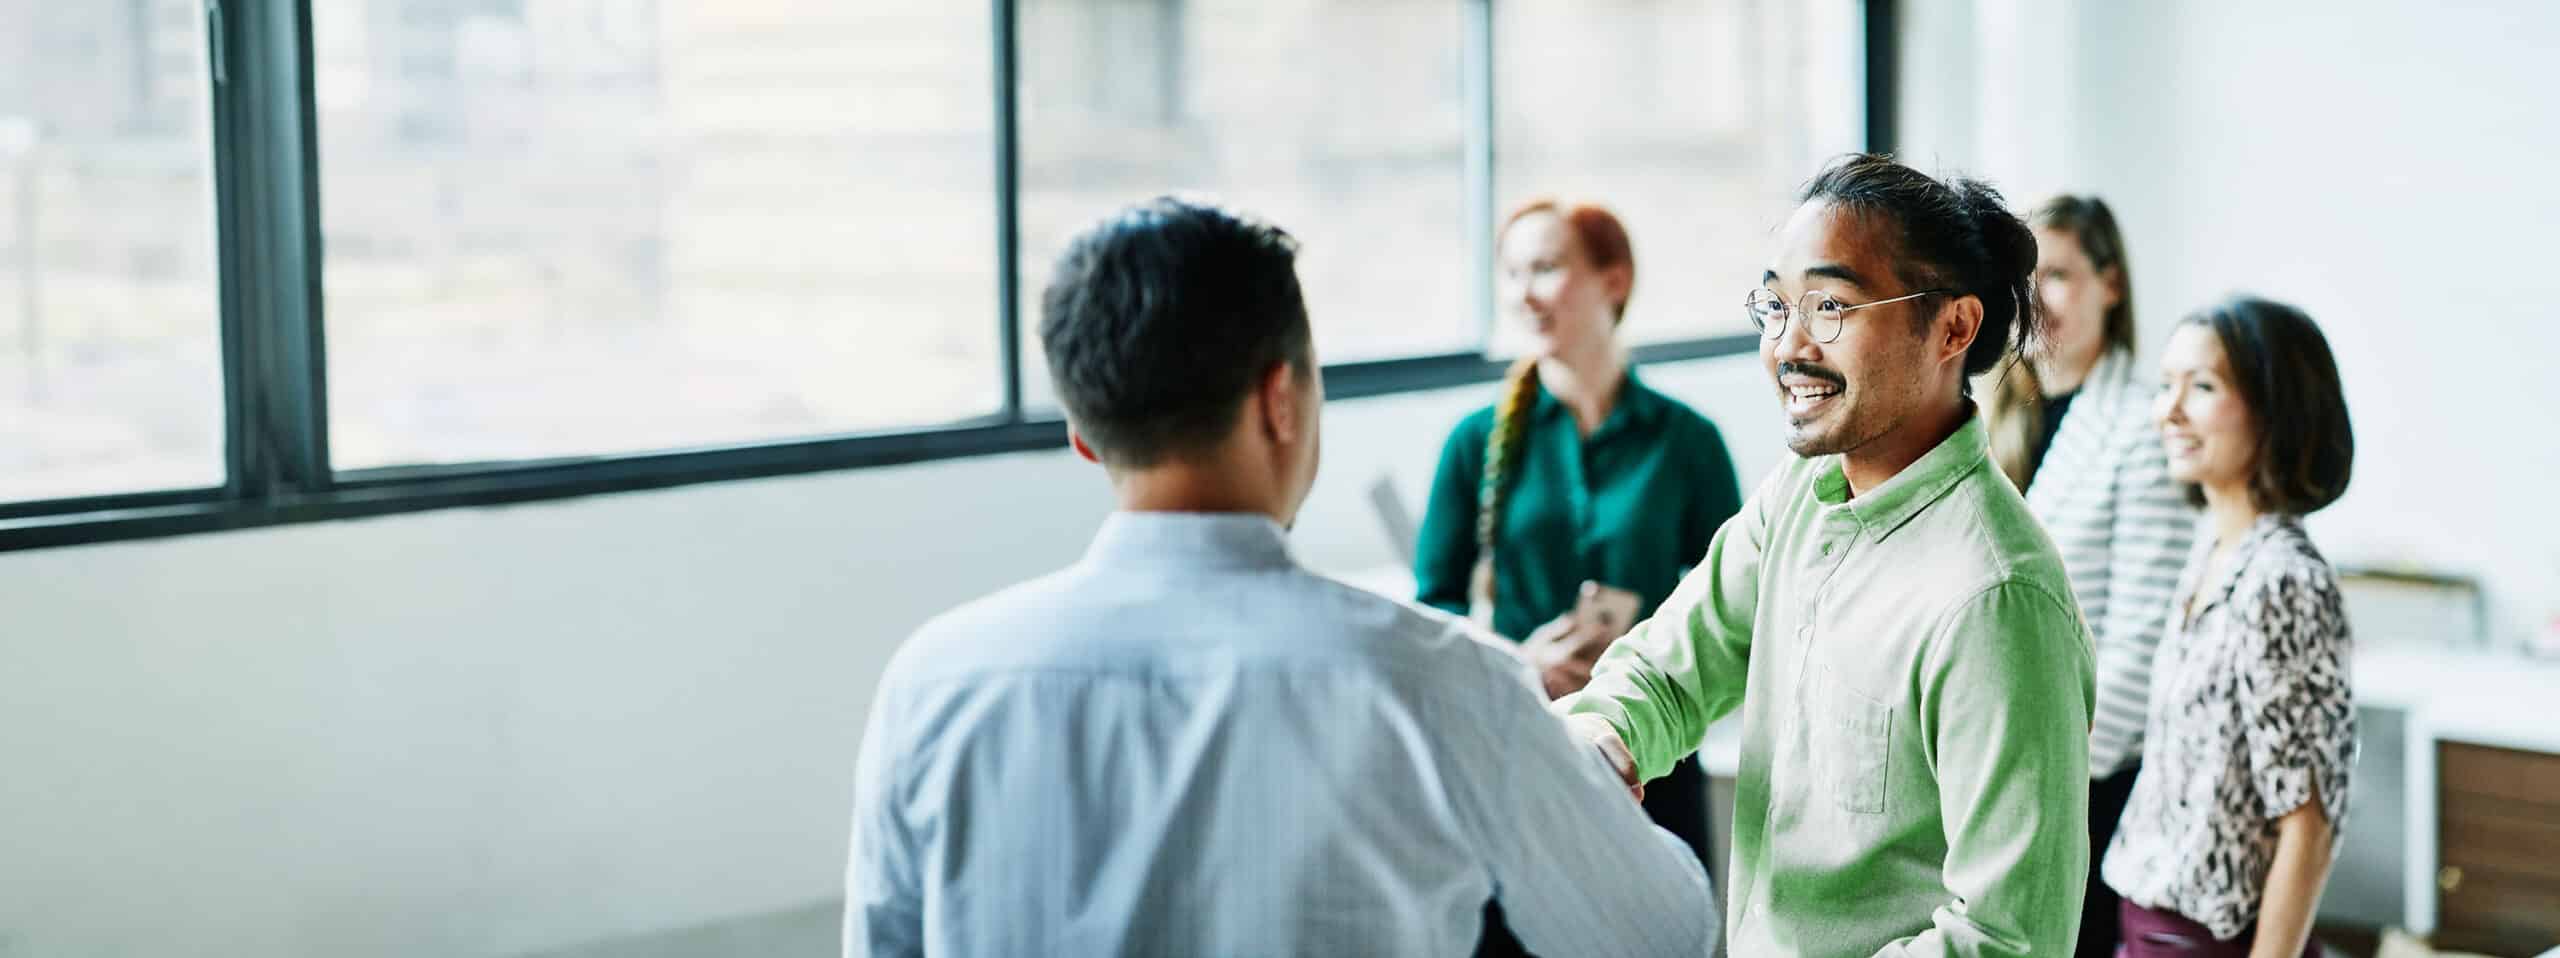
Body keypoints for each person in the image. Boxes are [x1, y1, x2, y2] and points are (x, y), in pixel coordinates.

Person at [842, 197, 1717, 957]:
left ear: (1084, 433)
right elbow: (1663, 934)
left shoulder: (931, 684)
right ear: (1281, 400)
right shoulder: (1444, 683)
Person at [1553, 154, 2095, 956]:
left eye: (1831, 306)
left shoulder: (1999, 596)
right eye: (1776, 306)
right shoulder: (1800, 495)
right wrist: (1605, 735)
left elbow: (2007, 938)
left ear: (1953, 327)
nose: (1787, 346)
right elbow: (1668, 671)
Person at [1413, 198, 1742, 883]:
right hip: (1518, 744)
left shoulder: (1688, 442)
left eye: (1546, 268)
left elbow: (1736, 607)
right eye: (1511, 273)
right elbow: (1433, 610)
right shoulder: (1473, 443)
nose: (1521, 294)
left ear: (1613, 282)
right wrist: (1515, 661)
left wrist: (1642, 670)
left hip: (1655, 758)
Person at [2102, 296, 2356, 958]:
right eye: (2166, 387)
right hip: (2144, 918)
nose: (2169, 411)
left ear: (2274, 411)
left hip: (2208, 939)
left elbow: (2308, 822)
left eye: (2203, 387)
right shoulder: (2214, 548)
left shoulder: (2284, 580)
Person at [1981, 195, 2195, 957]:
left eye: (2061, 274)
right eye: (2026, 277)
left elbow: (2140, 647)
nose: (2038, 297)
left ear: (2112, 285)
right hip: (2003, 775)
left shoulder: (2143, 428)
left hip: (2090, 784)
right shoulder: (1990, 425)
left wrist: (2054, 775)